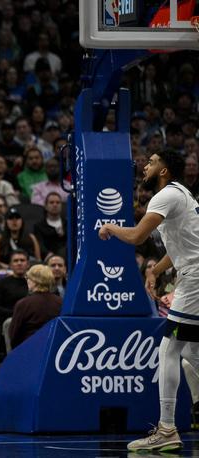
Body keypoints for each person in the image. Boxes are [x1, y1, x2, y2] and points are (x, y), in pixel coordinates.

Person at [99, 150, 199, 452]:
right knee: (193, 352)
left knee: (170, 348)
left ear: (164, 169)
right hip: (192, 272)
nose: (145, 166)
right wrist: (156, 268)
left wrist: (109, 227)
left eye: (152, 161)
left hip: (194, 278)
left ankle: (167, 428)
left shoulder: (166, 196)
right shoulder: (184, 195)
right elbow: (184, 246)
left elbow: (137, 237)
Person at [8, 265, 62, 350]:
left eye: (28, 278)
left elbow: (14, 335)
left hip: (29, 350)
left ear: (35, 281)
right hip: (55, 349)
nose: (27, 281)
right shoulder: (61, 302)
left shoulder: (23, 304)